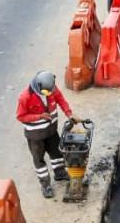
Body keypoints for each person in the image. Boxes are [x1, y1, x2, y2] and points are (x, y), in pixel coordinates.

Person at [16, 71, 81, 199]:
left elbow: (61, 100)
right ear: (38, 87)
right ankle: (45, 184)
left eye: (52, 91)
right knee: (39, 160)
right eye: (47, 92)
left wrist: (70, 114)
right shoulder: (25, 97)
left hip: (51, 131)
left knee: (56, 153)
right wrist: (38, 116)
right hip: (35, 136)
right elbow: (20, 116)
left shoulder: (51, 89)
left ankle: (60, 172)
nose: (51, 94)